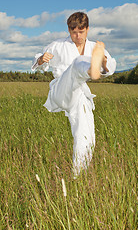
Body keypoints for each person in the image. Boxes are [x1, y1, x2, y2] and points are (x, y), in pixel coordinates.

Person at [31, 12, 116, 178]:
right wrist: (42, 59)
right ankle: (91, 68)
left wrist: (104, 65)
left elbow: (110, 68)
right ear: (69, 30)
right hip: (61, 90)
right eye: (73, 32)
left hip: (79, 94)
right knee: (78, 63)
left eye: (81, 32)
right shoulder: (58, 45)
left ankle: (78, 175)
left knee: (86, 134)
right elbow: (37, 63)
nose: (77, 36)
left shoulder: (94, 47)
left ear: (87, 29)